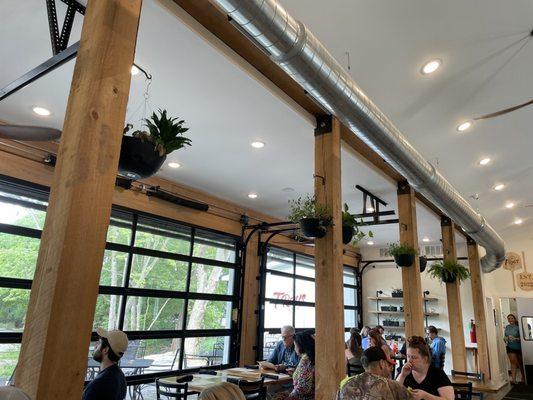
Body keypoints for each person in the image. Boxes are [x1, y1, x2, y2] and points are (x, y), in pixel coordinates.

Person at [337, 347, 411, 400]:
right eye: (387, 364)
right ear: (381, 364)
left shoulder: (345, 386)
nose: (391, 369)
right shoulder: (391, 387)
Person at [396, 336, 453, 400]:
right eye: (408, 356)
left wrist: (425, 396)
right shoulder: (404, 371)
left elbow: (449, 399)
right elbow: (393, 395)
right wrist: (402, 375)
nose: (409, 360)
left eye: (414, 357)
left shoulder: (437, 373)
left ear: (425, 359)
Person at [82, 328, 129, 400]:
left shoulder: (99, 384)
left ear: (105, 350)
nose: (95, 345)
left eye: (99, 342)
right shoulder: (120, 376)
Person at [273, 332, 315, 400]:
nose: (295, 349)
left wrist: (289, 397)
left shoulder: (305, 360)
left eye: (295, 345)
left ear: (300, 346)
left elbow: (302, 388)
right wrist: (295, 373)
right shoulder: (310, 357)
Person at [504, 314, 525, 384]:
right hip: (510, 347)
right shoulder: (507, 327)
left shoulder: (518, 327)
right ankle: (513, 380)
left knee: (520, 363)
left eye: (511, 318)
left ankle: (523, 378)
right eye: (509, 318)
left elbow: (522, 338)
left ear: (514, 319)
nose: (510, 320)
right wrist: (506, 338)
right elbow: (505, 337)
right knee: (513, 363)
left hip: (519, 347)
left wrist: (515, 338)